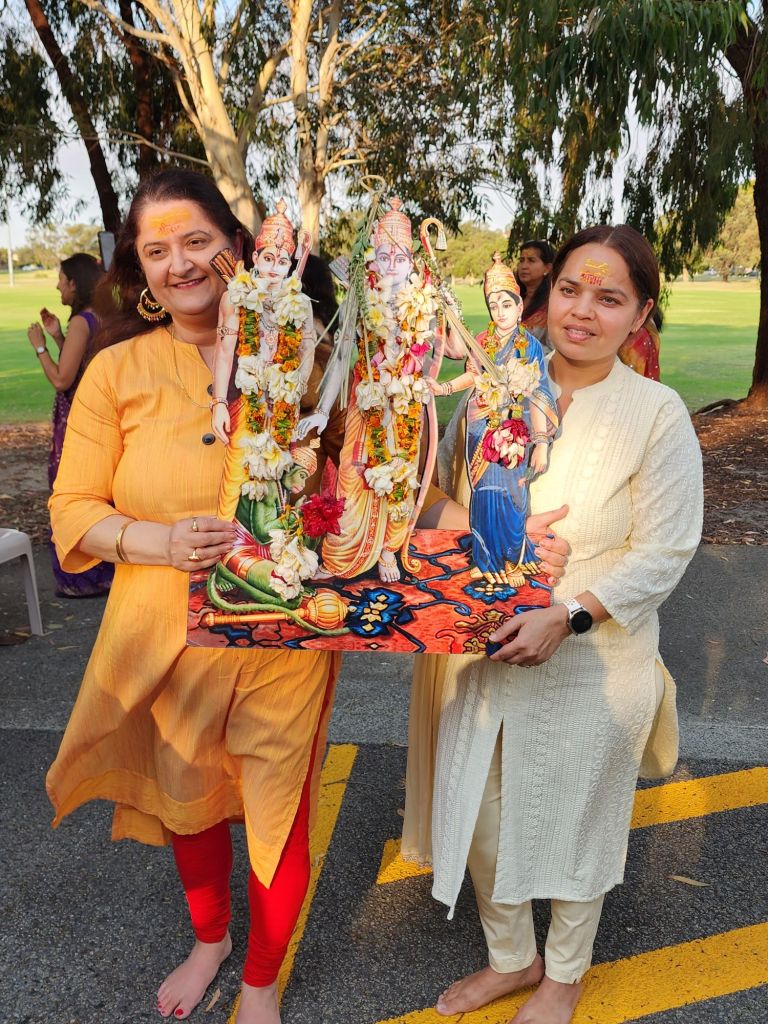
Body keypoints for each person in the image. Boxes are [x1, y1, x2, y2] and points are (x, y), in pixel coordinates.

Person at [45, 169, 339, 1024]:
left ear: (236, 247)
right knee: (187, 796)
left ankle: (260, 981)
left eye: (196, 241)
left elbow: (372, 480)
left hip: (283, 630)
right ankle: (210, 939)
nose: (179, 263)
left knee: (279, 808)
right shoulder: (116, 371)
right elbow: (73, 509)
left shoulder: (306, 354)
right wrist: (161, 542)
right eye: (156, 250)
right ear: (138, 269)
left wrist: (476, 529)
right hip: (163, 628)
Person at [412, 225, 702, 1024]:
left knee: (579, 823)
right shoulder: (491, 390)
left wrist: (567, 615)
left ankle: (565, 974)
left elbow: (667, 549)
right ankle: (512, 959)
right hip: (484, 649)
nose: (582, 311)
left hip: (592, 658)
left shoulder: (655, 413)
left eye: (609, 298)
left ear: (640, 314)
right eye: (570, 289)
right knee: (479, 815)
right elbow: (426, 498)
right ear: (548, 295)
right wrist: (481, 526)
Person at [297, 198, 437, 583]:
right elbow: (341, 358)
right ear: (373, 259)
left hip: (404, 405)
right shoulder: (360, 301)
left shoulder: (423, 306)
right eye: (384, 256)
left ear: (412, 262)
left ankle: (390, 548)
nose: (391, 266)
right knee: (352, 473)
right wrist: (322, 410)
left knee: (399, 476)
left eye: (400, 258)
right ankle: (341, 556)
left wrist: (446, 306)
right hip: (364, 402)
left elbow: (450, 351)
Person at [429, 253, 558, 587]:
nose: (500, 312)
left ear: (519, 306)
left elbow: (537, 393)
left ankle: (513, 559)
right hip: (479, 429)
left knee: (512, 498)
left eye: (506, 304)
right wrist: (444, 388)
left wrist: (541, 444)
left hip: (513, 433)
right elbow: (472, 374)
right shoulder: (483, 341)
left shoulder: (529, 346)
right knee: (483, 496)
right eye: (493, 306)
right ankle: (486, 558)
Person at [27, 253, 114, 597]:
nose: (57, 286)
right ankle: (106, 570)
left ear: (75, 283)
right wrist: (58, 337)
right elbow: (82, 364)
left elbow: (64, 379)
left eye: (62, 280)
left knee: (71, 490)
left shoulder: (82, 321)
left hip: (77, 417)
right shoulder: (100, 316)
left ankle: (79, 578)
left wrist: (40, 348)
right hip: (97, 414)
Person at [516, 239, 555, 336]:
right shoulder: (514, 299)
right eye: (521, 260)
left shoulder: (551, 304)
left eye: (531, 260)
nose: (524, 266)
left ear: (547, 268)